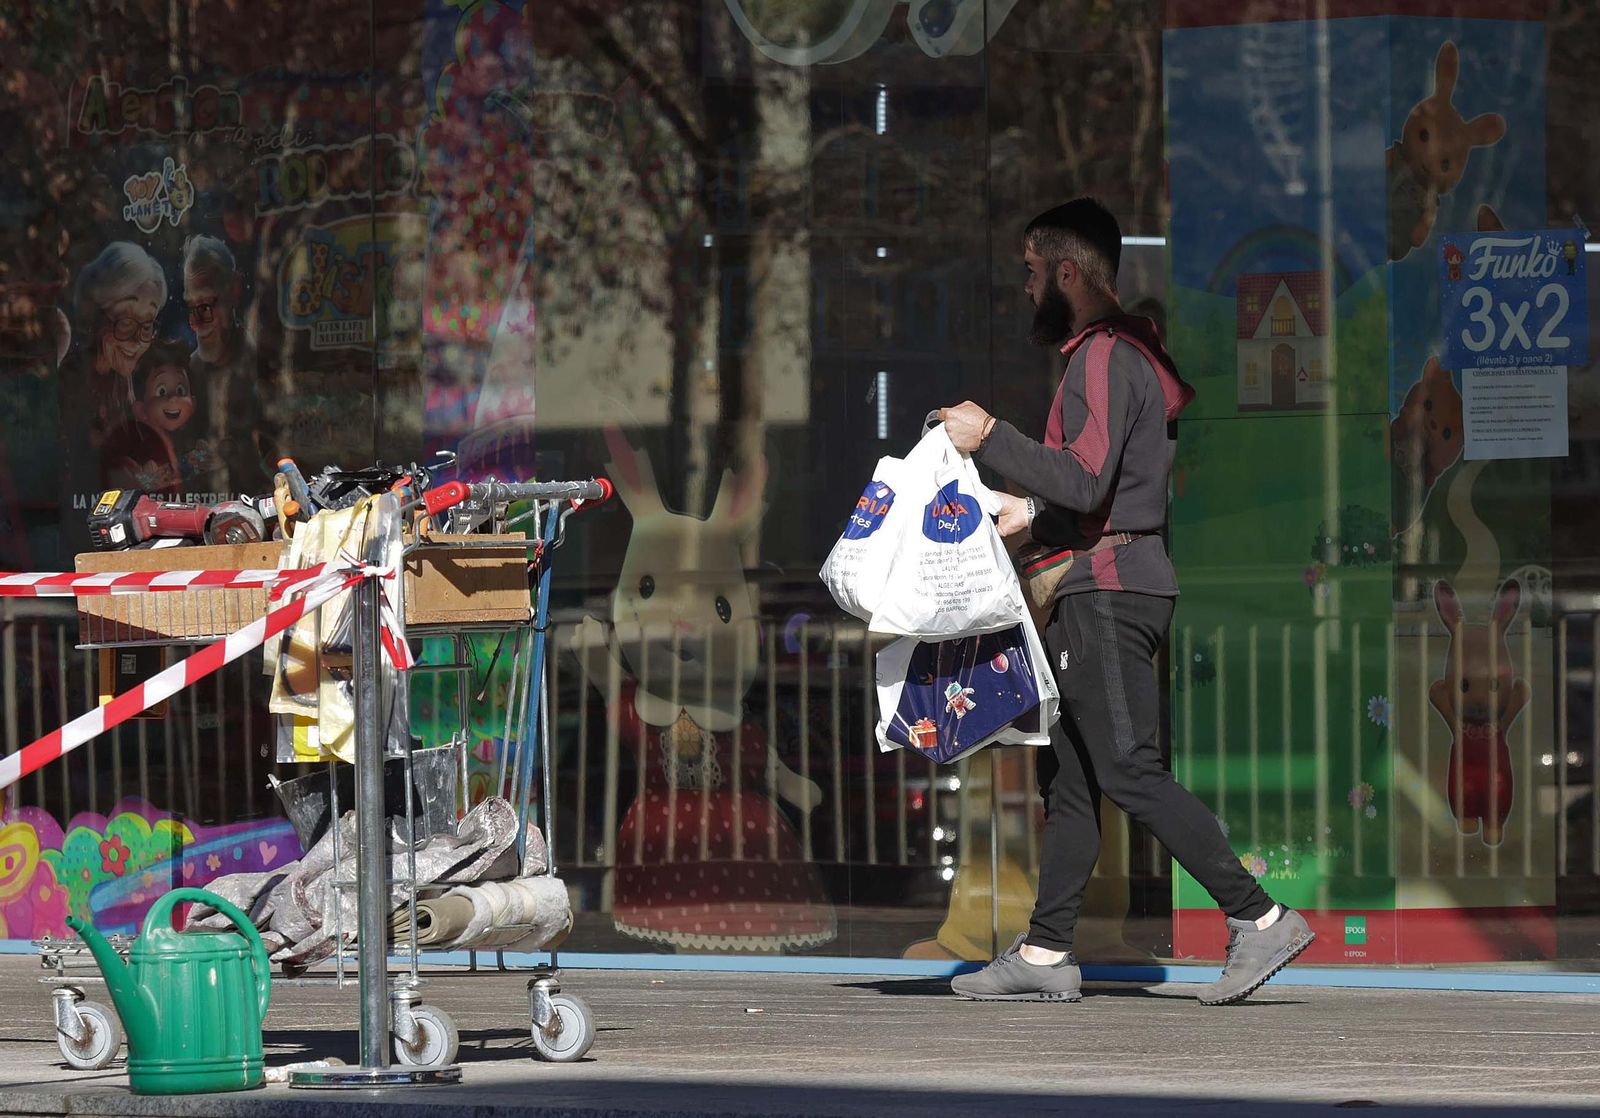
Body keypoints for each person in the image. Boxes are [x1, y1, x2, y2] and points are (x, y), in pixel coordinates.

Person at [937, 198, 1314, 1005]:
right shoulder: (1118, 353)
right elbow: (1097, 490)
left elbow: (1085, 477)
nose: (1027, 288)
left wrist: (990, 435)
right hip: (1104, 583)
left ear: (1067, 272)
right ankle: (1046, 954)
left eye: (1033, 272)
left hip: (1110, 592)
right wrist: (1030, 514)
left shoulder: (1105, 355)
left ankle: (1261, 917)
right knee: (1073, 779)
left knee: (1129, 769)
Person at [182, 234, 264, 498]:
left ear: (235, 290)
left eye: (205, 306)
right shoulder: (187, 374)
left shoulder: (261, 365)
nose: (196, 323)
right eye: (190, 308)